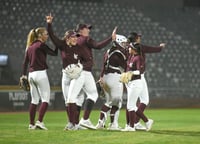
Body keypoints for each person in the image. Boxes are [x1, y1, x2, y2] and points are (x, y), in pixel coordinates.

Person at [65, 23, 117, 129]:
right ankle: (72, 123)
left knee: (92, 94)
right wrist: (110, 38)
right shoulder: (85, 39)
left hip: (84, 71)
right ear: (80, 30)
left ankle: (83, 120)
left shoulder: (76, 41)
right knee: (72, 98)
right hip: (82, 72)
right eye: (86, 28)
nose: (88, 30)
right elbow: (98, 46)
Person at [46, 14, 85, 130]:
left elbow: (87, 60)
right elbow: (52, 36)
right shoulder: (63, 45)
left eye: (76, 37)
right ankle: (72, 123)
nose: (76, 38)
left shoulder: (79, 47)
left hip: (76, 76)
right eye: (73, 37)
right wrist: (49, 24)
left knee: (72, 99)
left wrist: (81, 66)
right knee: (67, 101)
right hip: (66, 76)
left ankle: (73, 124)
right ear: (68, 38)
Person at [21, 27, 58, 130]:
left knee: (34, 100)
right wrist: (57, 44)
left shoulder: (30, 46)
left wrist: (23, 75)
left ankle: (31, 124)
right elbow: (54, 53)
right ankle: (40, 121)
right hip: (40, 74)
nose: (47, 36)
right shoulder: (41, 45)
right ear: (40, 35)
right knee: (45, 99)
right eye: (46, 34)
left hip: (31, 75)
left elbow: (25, 63)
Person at [127, 32, 165, 130]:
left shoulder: (128, 49)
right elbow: (151, 49)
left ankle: (133, 123)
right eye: (138, 37)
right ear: (135, 39)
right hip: (138, 77)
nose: (140, 38)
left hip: (129, 76)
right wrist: (160, 47)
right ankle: (136, 123)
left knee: (134, 102)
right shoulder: (138, 47)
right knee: (138, 102)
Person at [96, 34, 129, 130]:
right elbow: (125, 66)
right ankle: (111, 124)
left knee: (109, 101)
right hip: (114, 77)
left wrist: (101, 76)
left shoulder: (108, 51)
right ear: (118, 42)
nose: (125, 45)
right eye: (123, 43)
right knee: (116, 101)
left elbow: (103, 65)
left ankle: (103, 123)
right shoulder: (118, 53)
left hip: (106, 76)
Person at [121, 43, 153, 132]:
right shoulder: (131, 56)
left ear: (134, 49)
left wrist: (130, 73)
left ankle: (145, 121)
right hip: (131, 83)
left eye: (130, 47)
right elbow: (128, 68)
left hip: (136, 83)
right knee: (130, 106)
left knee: (131, 106)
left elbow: (140, 71)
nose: (129, 49)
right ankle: (132, 126)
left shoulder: (139, 57)